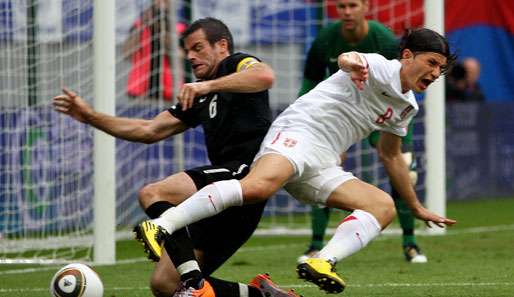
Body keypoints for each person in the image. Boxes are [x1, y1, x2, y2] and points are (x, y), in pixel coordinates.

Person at [139, 28, 457, 294]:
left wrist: (415, 207)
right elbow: (349, 58)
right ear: (406, 56)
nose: (434, 73)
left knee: (382, 206)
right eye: (431, 62)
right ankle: (163, 224)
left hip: (323, 161)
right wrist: (350, 64)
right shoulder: (377, 65)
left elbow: (390, 154)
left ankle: (321, 261)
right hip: (300, 132)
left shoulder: (407, 106)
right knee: (257, 188)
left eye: (439, 69)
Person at [54, 17, 299, 297]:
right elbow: (148, 129)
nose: (191, 56)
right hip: (222, 202)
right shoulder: (200, 93)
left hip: (246, 175)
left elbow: (265, 76)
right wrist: (89, 116)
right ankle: (262, 294)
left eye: (197, 47)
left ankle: (194, 283)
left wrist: (206, 86)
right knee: (164, 285)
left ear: (221, 46)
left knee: (154, 192)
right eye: (187, 50)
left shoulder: (236, 64)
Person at [297, 0, 427, 264]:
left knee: (404, 170)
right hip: (342, 118)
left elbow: (404, 87)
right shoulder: (325, 39)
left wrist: (402, 132)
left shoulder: (384, 40)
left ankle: (410, 243)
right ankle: (315, 245)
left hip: (383, 116)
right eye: (342, 6)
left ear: (366, 7)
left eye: (352, 5)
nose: (347, 12)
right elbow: (309, 84)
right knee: (321, 167)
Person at [123, 0, 182, 101]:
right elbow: (127, 53)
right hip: (140, 90)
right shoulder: (139, 25)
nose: (162, 3)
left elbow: (180, 55)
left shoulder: (178, 27)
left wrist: (159, 28)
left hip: (169, 91)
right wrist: (143, 25)